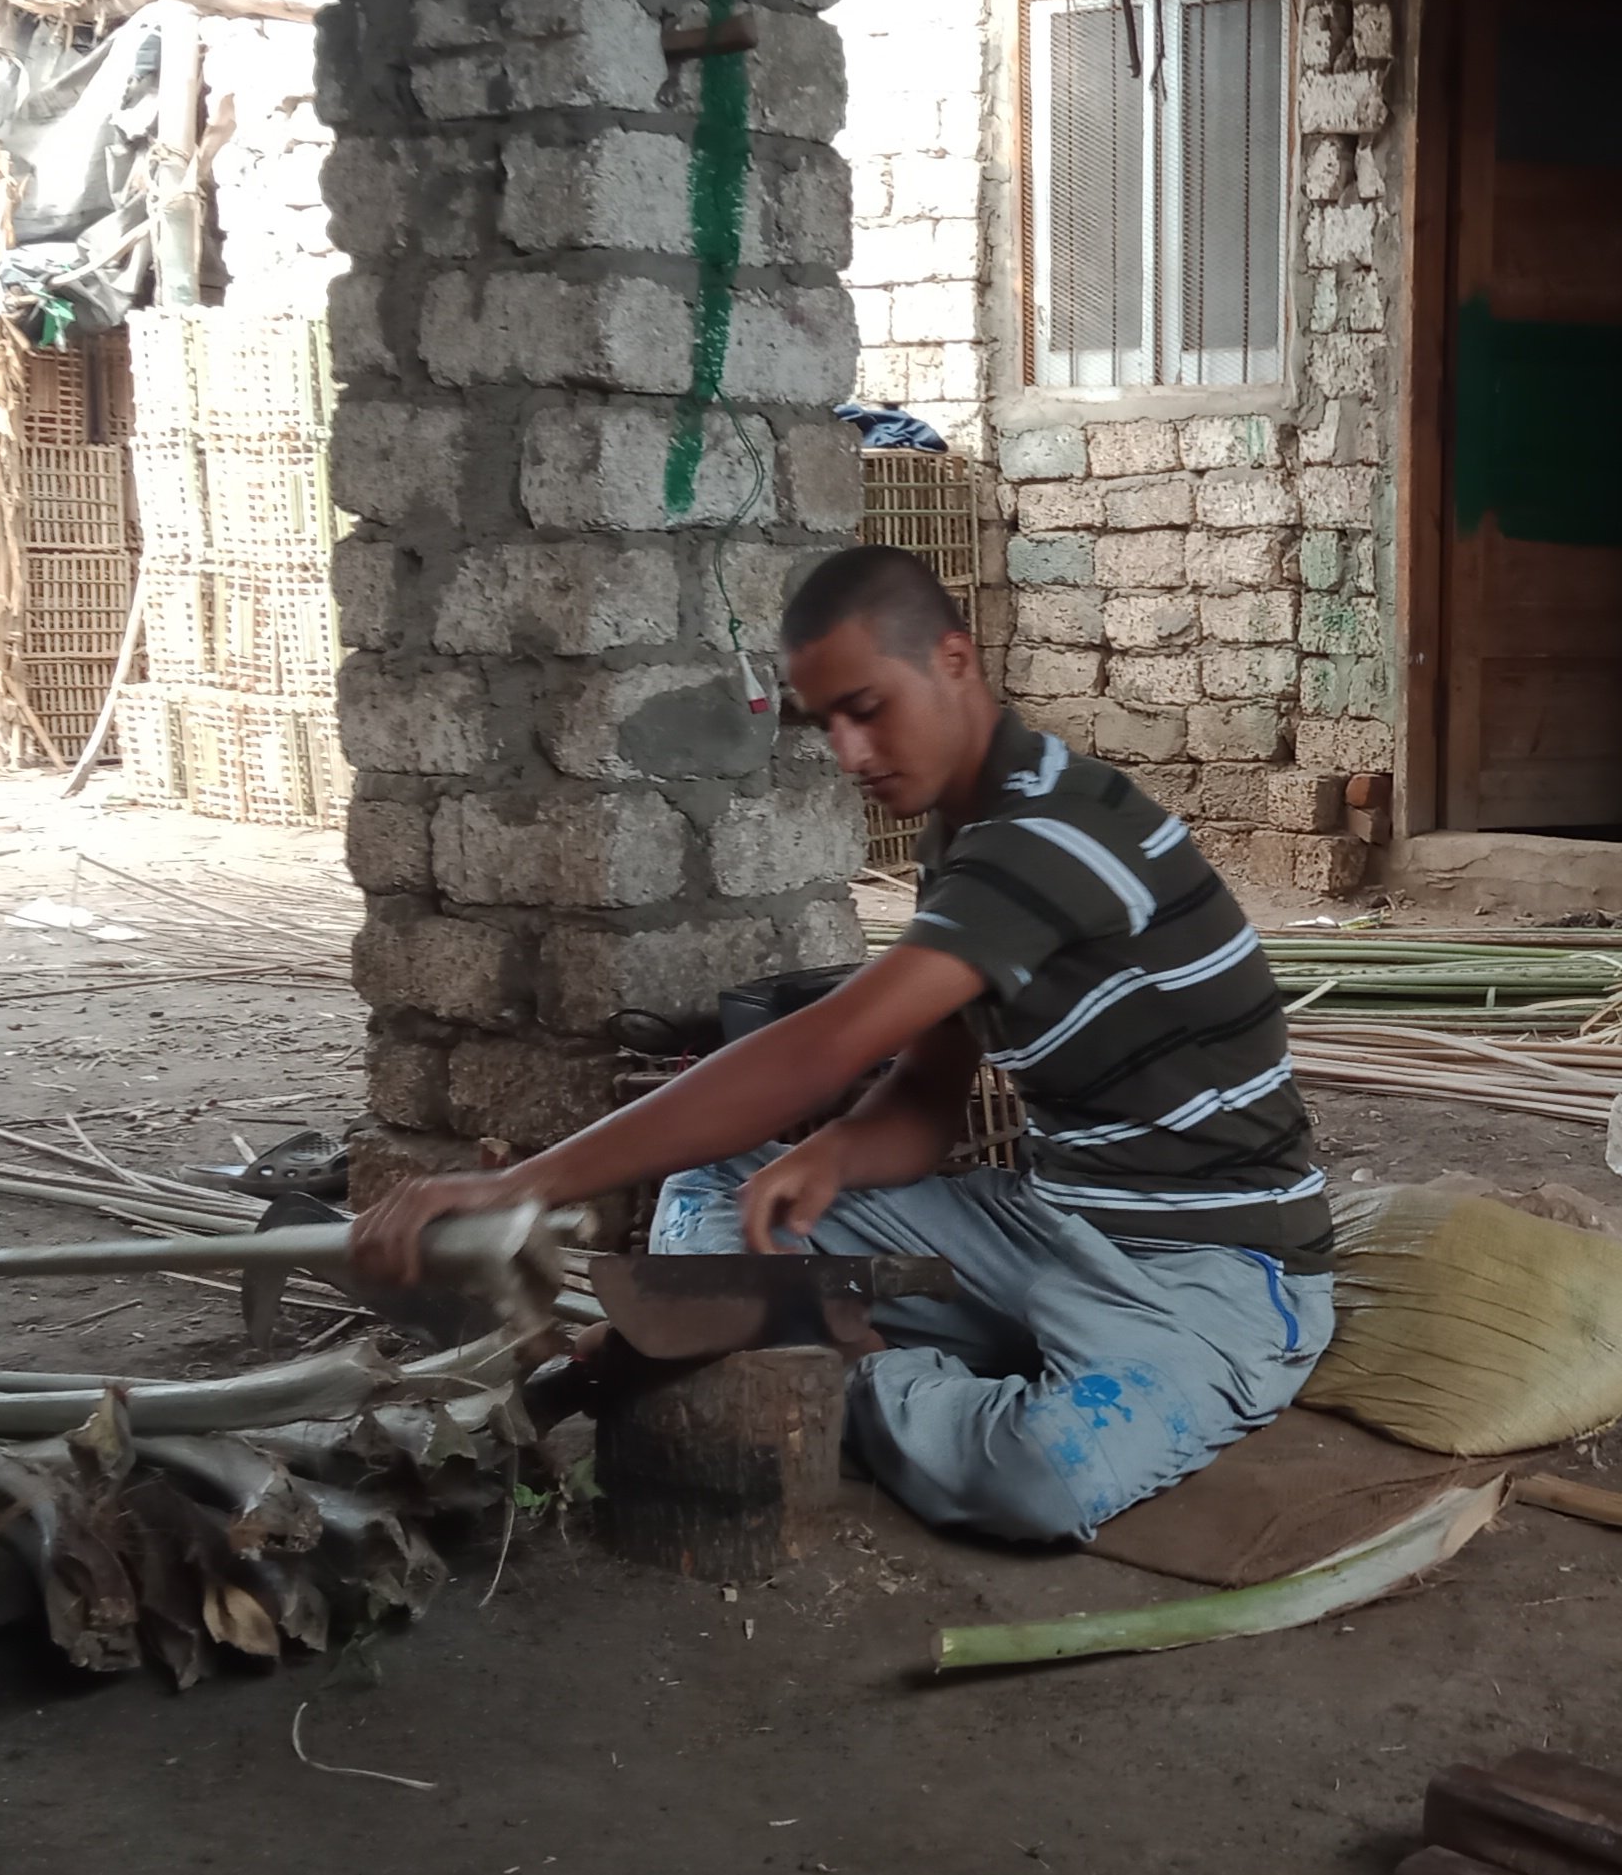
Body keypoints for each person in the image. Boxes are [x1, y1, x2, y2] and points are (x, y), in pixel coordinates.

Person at [350, 545, 1334, 1545]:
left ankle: (823, 1365)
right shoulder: (963, 844)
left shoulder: (1053, 832)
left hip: (1215, 1269)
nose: (850, 756)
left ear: (954, 659)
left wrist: (522, 1187)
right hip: (1046, 1222)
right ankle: (794, 1341)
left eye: (867, 709)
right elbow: (921, 1102)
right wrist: (833, 1154)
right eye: (827, 725)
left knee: (1036, 1480)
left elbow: (823, 1046)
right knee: (719, 1192)